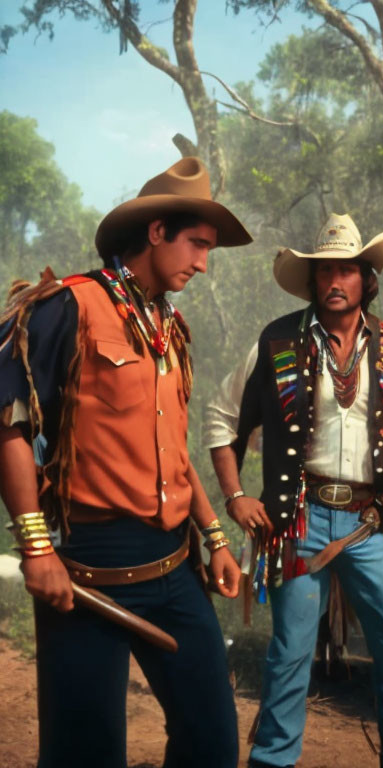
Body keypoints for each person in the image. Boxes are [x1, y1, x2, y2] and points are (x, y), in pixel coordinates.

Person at [0, 157, 252, 768]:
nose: (202, 263)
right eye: (196, 244)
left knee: (213, 742)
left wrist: (214, 536)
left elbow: (175, 448)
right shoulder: (67, 306)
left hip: (174, 571)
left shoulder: (169, 325)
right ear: (157, 231)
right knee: (85, 753)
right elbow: (8, 424)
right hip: (87, 576)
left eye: (210, 250)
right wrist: (36, 549)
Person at [204, 213, 383, 768]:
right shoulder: (278, 340)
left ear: (365, 279)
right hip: (297, 520)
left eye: (347, 270)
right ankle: (272, 762)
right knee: (289, 654)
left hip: (367, 524)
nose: (336, 280)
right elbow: (221, 417)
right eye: (326, 270)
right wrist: (236, 496)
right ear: (312, 280)